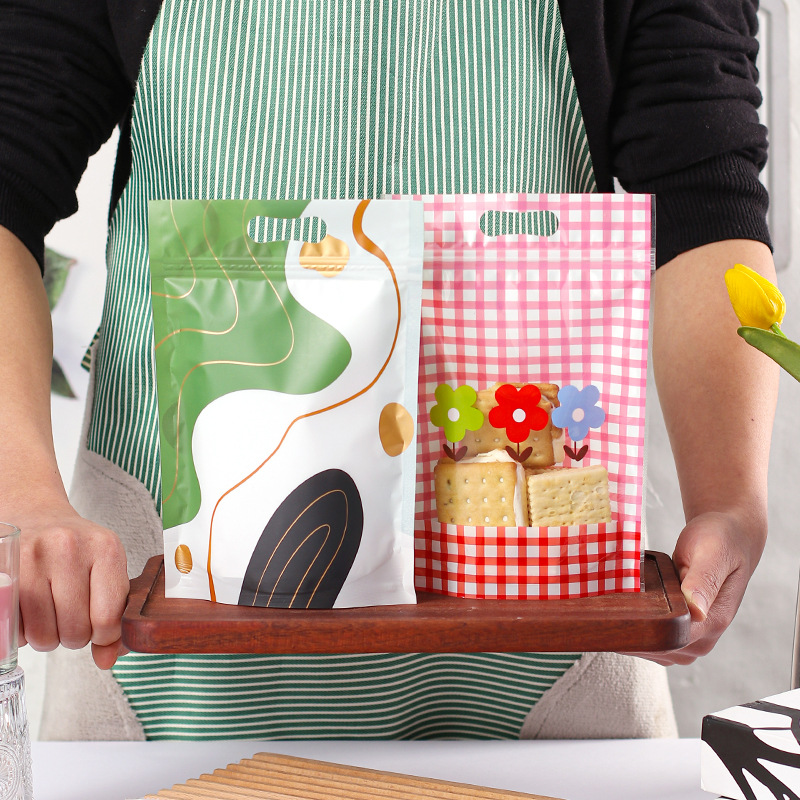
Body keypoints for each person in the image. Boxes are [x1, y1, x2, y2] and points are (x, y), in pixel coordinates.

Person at [0, 0, 777, 740]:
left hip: (550, 655)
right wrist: (28, 496)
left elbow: (701, 192)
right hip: (167, 630)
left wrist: (730, 497)